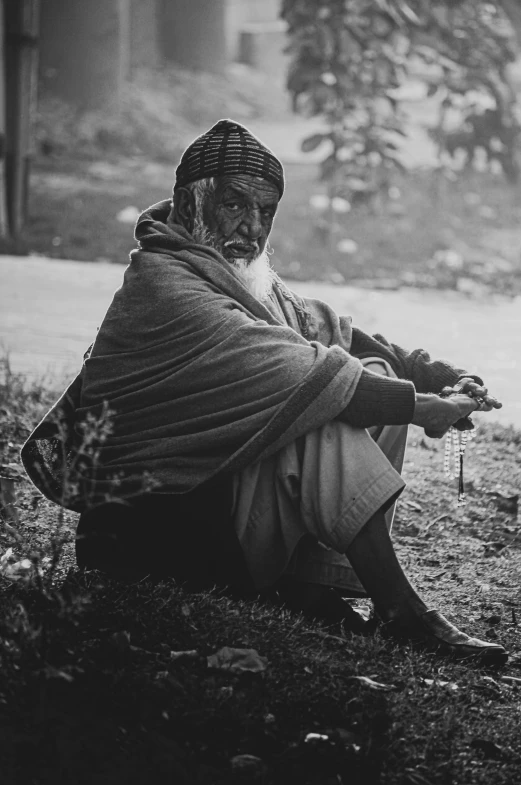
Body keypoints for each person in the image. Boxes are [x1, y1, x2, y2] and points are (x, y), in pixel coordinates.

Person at [22, 119, 506, 664]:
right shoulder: (169, 288)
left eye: (266, 212)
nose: (252, 229)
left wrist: (435, 372)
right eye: (234, 205)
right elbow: (312, 375)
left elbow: (323, 330)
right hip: (158, 544)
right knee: (323, 406)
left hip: (222, 508)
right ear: (189, 203)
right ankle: (401, 612)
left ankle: (312, 589)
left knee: (364, 370)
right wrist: (426, 410)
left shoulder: (224, 270)